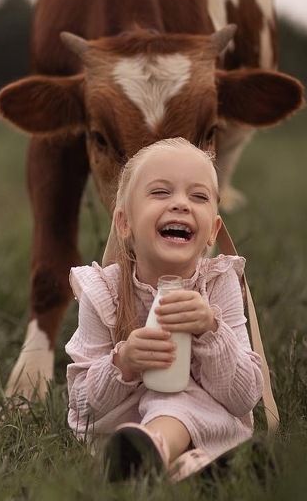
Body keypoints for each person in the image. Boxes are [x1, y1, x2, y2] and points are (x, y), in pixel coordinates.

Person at [65, 137, 264, 481]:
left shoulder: (218, 284)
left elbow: (244, 397)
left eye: (199, 196)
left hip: (206, 422)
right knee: (164, 394)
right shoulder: (104, 292)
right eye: (160, 192)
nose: (181, 205)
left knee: (178, 396)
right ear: (125, 223)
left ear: (211, 231)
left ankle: (162, 460)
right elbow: (82, 407)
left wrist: (210, 331)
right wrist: (124, 362)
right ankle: (183, 463)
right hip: (125, 430)